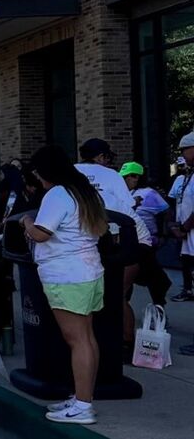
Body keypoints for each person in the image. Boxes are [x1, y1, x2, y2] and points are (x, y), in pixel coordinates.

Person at [21, 146, 108, 425]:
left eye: (37, 173)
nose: (37, 179)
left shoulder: (58, 194)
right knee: (87, 337)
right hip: (89, 271)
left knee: (77, 340)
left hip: (66, 276)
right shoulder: (84, 193)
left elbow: (41, 234)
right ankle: (83, 397)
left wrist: (27, 222)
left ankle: (83, 407)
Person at [74, 138, 151, 349]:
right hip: (114, 240)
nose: (107, 162)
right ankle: (113, 339)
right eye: (107, 158)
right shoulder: (111, 177)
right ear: (101, 157)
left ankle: (126, 341)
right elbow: (129, 205)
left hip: (124, 241)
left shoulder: (73, 175)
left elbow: (125, 218)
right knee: (109, 294)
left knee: (116, 294)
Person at [122, 161, 171, 306]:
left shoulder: (149, 193)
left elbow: (166, 212)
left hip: (146, 241)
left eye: (128, 176)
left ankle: (158, 306)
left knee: (152, 276)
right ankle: (124, 305)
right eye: (123, 177)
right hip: (127, 240)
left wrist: (163, 234)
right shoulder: (123, 192)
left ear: (137, 177)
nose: (125, 180)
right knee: (127, 276)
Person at [172, 133, 194, 301]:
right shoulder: (188, 175)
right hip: (187, 230)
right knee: (187, 258)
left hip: (189, 228)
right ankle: (188, 290)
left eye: (184, 150)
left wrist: (184, 228)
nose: (182, 155)